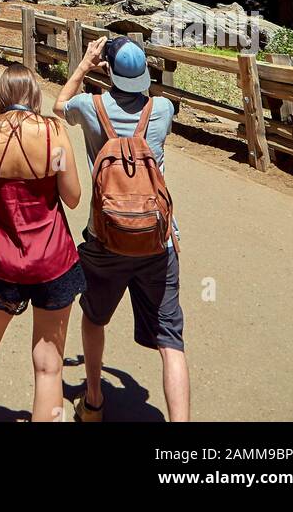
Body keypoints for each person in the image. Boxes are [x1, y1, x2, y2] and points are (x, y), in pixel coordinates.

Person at [55, 35, 190, 423]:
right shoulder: (162, 109)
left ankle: (94, 401)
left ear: (109, 71)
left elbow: (59, 105)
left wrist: (85, 65)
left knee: (94, 318)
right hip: (157, 240)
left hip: (105, 238)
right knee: (171, 341)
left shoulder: (89, 106)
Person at [0, 65, 84, 423]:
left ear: (2, 95)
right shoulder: (54, 133)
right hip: (53, 261)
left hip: (3, 262)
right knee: (49, 367)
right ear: (34, 94)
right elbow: (72, 197)